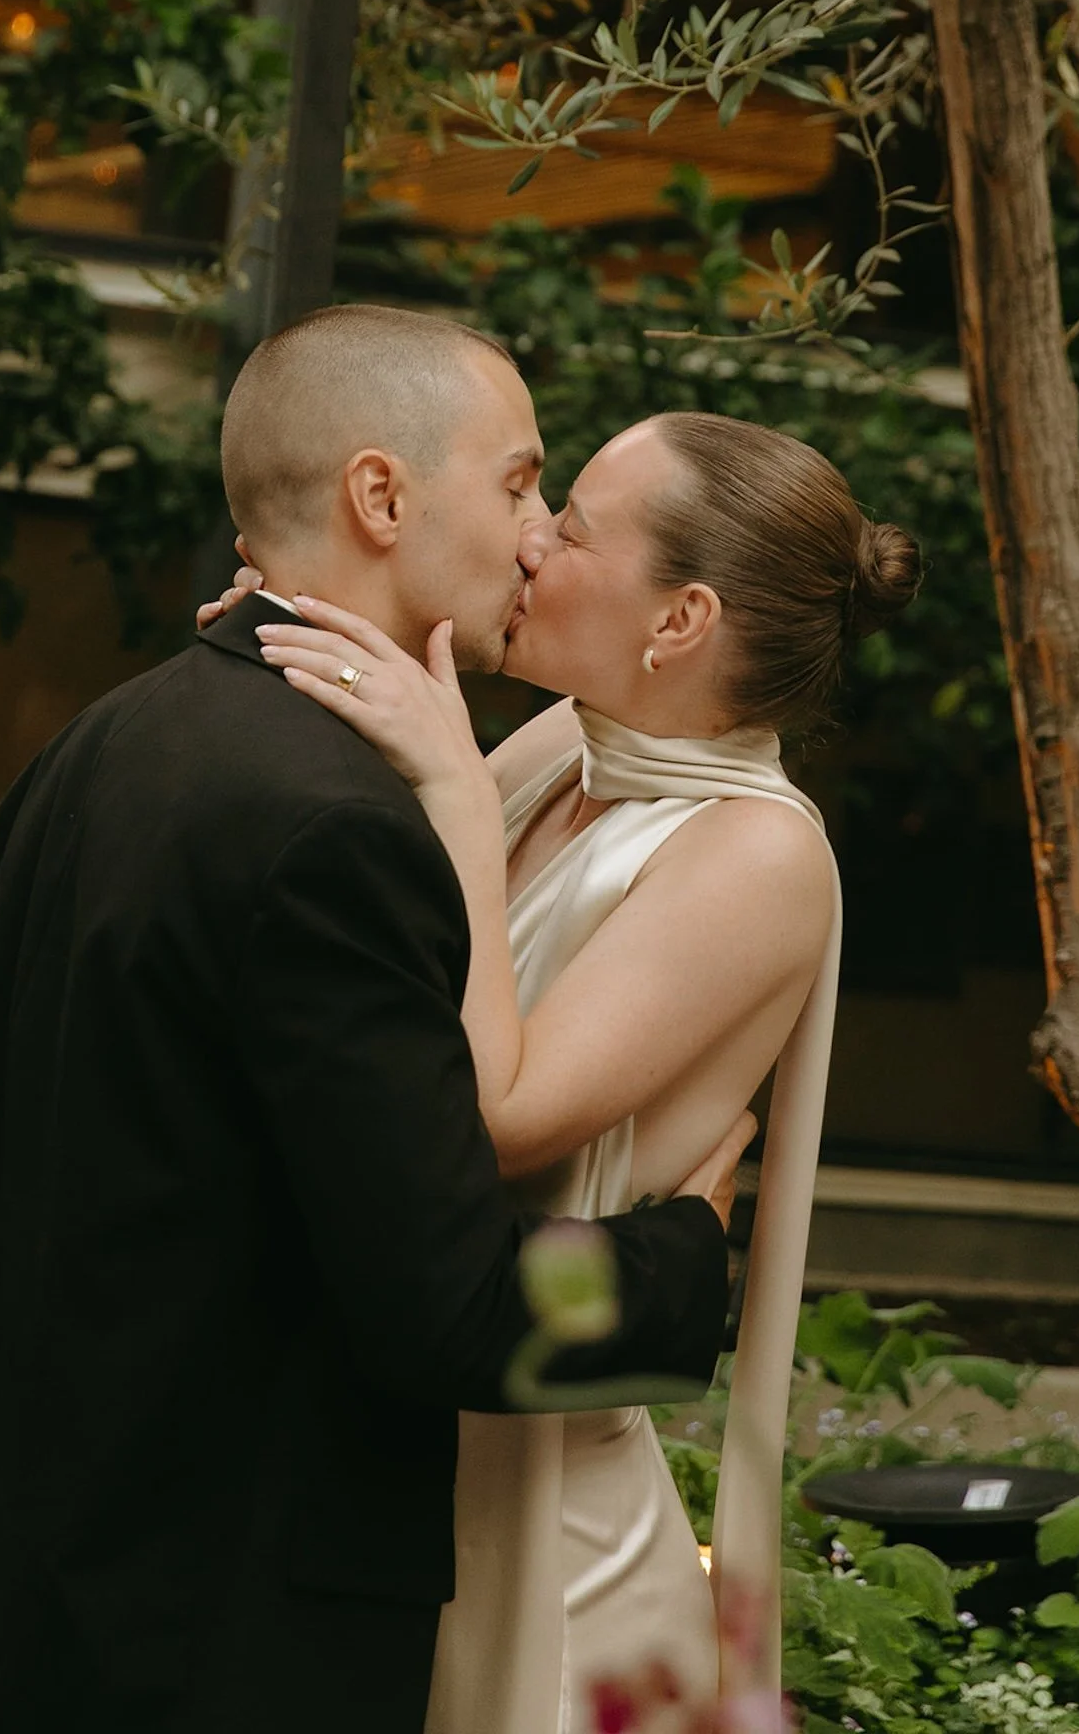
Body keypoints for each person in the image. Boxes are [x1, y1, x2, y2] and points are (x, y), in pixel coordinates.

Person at [0, 308, 751, 1734]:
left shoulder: (105, 739)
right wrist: (678, 1258)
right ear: (380, 497)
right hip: (197, 1643)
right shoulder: (337, 832)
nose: (534, 534)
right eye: (519, 483)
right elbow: (448, 1307)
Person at [209, 407, 922, 1730]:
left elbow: (497, 1113)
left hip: (540, 1494)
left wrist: (459, 807)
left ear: (680, 619)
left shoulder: (761, 854)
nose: (530, 543)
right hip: (403, 1435)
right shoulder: (557, 751)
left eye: (575, 525)